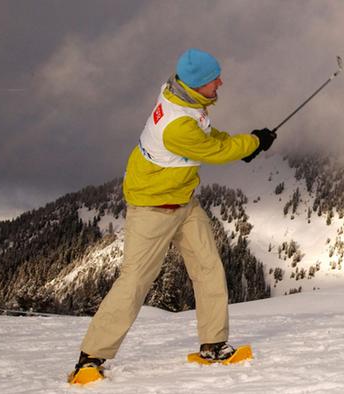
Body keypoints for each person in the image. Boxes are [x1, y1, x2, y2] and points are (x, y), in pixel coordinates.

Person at [71, 48, 276, 377]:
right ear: (196, 84)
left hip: (182, 199)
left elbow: (210, 136)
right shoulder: (177, 123)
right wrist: (252, 143)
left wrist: (248, 143)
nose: (221, 82)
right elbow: (215, 150)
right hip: (152, 206)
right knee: (135, 281)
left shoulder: (187, 100)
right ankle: (91, 358)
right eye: (214, 80)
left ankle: (213, 345)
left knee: (208, 268)